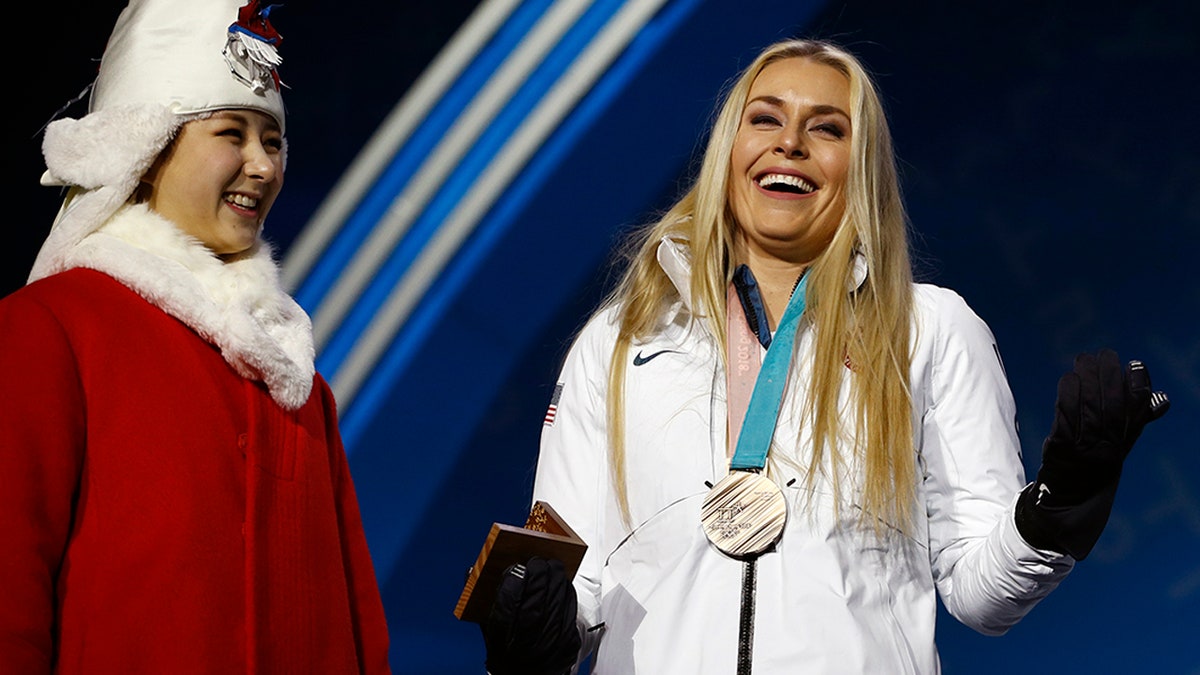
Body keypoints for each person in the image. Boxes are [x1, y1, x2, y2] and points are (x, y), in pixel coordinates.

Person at [478, 38, 1169, 674]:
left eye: (827, 128)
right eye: (766, 119)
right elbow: (580, 582)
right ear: (729, 149)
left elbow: (981, 594)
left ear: (858, 165)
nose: (790, 144)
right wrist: (532, 632)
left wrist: (1061, 501)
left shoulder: (929, 330)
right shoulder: (621, 340)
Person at [0, 1, 391, 672]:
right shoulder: (51, 329)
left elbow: (359, 636)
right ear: (147, 151)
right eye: (231, 133)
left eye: (272, 141)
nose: (262, 165)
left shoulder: (297, 381)